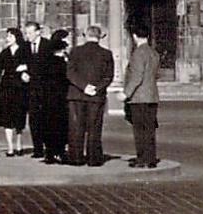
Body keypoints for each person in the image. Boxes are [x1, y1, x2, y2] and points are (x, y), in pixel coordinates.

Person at [66, 24, 115, 166]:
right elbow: (108, 76)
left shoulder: (75, 51)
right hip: (96, 96)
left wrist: (83, 86)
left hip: (77, 94)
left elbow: (70, 73)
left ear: (85, 35)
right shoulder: (106, 53)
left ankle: (76, 157)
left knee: (76, 128)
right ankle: (93, 159)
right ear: (99, 37)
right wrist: (96, 88)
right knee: (95, 128)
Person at [0, 26, 30, 156]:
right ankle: (10, 147)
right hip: (6, 88)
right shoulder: (4, 53)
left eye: (10, 36)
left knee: (19, 118)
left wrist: (26, 68)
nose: (7, 39)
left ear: (17, 37)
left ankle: (19, 144)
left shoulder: (24, 50)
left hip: (20, 88)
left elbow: (34, 64)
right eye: (7, 36)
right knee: (7, 118)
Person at [123, 26, 160, 168]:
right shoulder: (153, 53)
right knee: (150, 129)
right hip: (152, 95)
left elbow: (137, 76)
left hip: (139, 97)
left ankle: (142, 158)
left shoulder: (138, 53)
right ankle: (150, 158)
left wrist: (126, 93)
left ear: (134, 36)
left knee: (139, 129)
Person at [39, 30, 71, 164]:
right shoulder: (63, 64)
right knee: (61, 126)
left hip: (47, 99)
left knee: (48, 125)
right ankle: (60, 151)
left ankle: (49, 152)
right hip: (61, 100)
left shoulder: (45, 62)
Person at [23, 21, 52, 158]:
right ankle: (37, 148)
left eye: (29, 33)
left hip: (46, 90)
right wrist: (22, 73)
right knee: (34, 120)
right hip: (31, 90)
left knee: (46, 119)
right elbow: (20, 63)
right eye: (26, 33)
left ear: (37, 32)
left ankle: (49, 147)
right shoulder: (25, 47)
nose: (27, 36)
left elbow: (48, 66)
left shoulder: (47, 45)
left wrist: (29, 71)